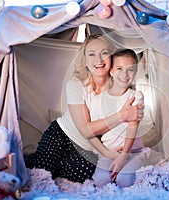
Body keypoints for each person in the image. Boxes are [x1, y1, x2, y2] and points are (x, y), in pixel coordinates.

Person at [25, 34, 144, 183]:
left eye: (104, 53)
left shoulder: (120, 83)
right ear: (85, 60)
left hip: (91, 147)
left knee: (81, 175)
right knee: (41, 169)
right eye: (92, 54)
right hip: (64, 134)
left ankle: (59, 164)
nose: (99, 60)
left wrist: (118, 151)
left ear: (112, 60)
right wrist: (122, 115)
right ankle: (30, 159)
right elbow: (86, 130)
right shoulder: (75, 85)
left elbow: (131, 120)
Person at [91, 49, 150, 187]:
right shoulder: (97, 100)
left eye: (130, 70)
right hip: (109, 152)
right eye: (119, 68)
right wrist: (109, 153)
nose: (124, 74)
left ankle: (140, 163)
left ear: (135, 73)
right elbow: (96, 130)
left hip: (133, 151)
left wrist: (123, 156)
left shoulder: (136, 96)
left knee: (124, 180)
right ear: (111, 71)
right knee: (101, 180)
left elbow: (132, 126)